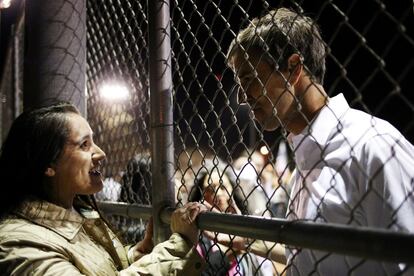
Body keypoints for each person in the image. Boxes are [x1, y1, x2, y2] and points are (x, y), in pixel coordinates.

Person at [226, 7, 414, 275]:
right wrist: (246, 238)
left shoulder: (373, 146)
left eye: (249, 80)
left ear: (292, 68)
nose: (243, 98)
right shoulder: (308, 152)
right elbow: (311, 254)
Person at [0, 102, 206, 275]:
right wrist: (178, 246)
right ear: (49, 165)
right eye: (84, 145)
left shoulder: (75, 215)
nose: (101, 153)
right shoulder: (18, 243)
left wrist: (133, 256)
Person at [189, 159, 274, 276]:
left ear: (232, 192)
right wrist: (228, 253)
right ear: (200, 196)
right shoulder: (194, 237)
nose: (218, 193)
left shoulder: (244, 228)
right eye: (210, 189)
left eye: (223, 187)